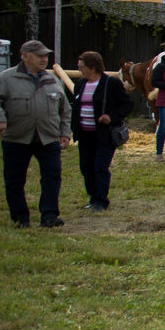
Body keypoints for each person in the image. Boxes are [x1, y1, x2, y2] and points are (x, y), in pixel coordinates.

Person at [0, 40, 72, 227]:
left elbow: (65, 109)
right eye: (39, 56)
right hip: (17, 137)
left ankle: (49, 216)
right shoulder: (5, 79)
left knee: (52, 176)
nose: (44, 59)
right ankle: (20, 218)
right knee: (14, 179)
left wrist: (65, 132)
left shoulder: (52, 79)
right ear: (25, 56)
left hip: (48, 137)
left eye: (45, 56)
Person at [69, 51, 131, 213]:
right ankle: (93, 197)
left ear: (93, 67)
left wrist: (111, 117)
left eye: (82, 67)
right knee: (86, 167)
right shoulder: (80, 84)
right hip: (84, 134)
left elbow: (127, 105)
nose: (79, 70)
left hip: (104, 134)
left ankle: (101, 201)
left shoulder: (111, 83)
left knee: (100, 167)